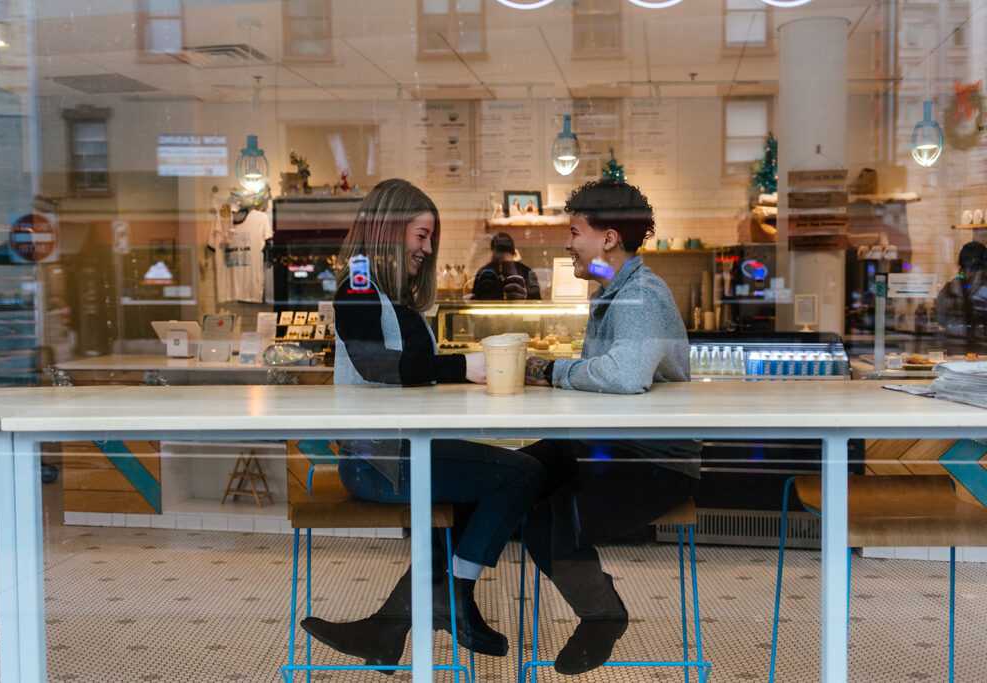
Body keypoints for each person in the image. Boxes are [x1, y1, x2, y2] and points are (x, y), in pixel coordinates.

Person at [299, 178, 547, 668]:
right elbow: (375, 364)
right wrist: (464, 367)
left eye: (431, 237)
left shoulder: (396, 298)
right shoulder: (358, 284)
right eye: (421, 235)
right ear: (391, 229)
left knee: (500, 480)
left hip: (402, 454)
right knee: (525, 473)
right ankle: (454, 596)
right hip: (379, 461)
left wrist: (467, 372)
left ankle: (385, 631)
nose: (428, 248)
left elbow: (411, 374)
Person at [519, 179, 702, 675]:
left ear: (608, 237)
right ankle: (423, 607)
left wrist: (547, 370)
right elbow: (602, 273)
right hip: (607, 448)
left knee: (547, 516)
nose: (567, 242)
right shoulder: (615, 285)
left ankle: (603, 615)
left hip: (654, 462)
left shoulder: (642, 296)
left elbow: (624, 374)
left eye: (575, 231)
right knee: (508, 477)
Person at [936, 241, 987, 355]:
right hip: (982, 352)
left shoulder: (950, 289)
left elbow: (940, 319)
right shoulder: (983, 288)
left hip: (955, 350)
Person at [471, 232, 541, 300]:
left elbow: (474, 302)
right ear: (514, 254)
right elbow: (537, 305)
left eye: (507, 265)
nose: (501, 270)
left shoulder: (483, 272)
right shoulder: (526, 272)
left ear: (492, 253)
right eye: (496, 264)